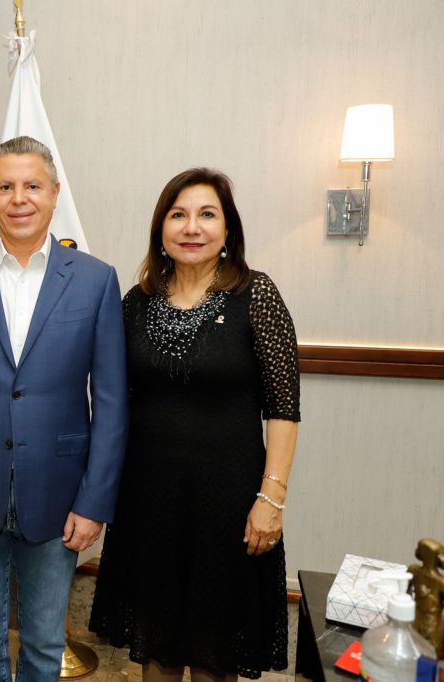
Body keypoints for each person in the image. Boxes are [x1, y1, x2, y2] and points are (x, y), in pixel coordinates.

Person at [0, 135, 129, 681]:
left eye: (32, 186)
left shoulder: (95, 280)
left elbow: (110, 401)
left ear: (55, 193)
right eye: (6, 186)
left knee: (43, 644)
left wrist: (96, 501)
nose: (20, 198)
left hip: (62, 496)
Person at [89, 168, 301, 680]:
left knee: (214, 653)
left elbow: (283, 408)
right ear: (161, 228)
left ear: (228, 231)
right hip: (148, 503)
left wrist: (270, 500)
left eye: (207, 215)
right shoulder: (134, 304)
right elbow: (113, 400)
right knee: (156, 649)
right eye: (178, 214)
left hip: (228, 507)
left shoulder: (257, 296)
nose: (191, 227)